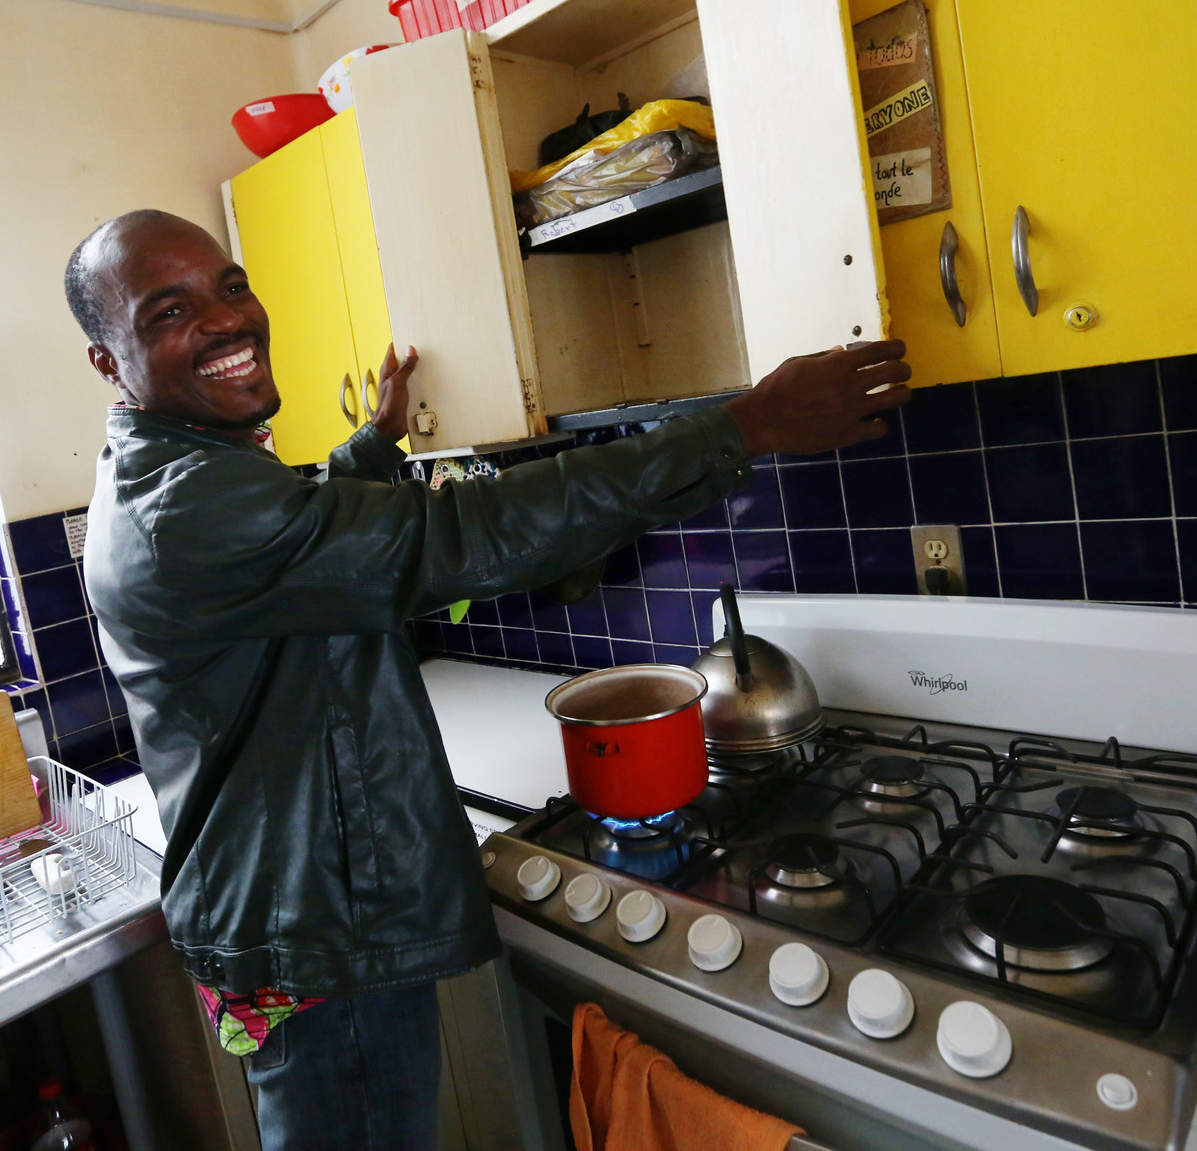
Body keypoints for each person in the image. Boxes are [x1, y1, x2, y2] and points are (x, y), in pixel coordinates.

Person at [65, 209, 910, 1150]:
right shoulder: (183, 505)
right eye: (168, 311)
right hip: (315, 930)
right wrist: (742, 426)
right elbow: (449, 537)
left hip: (292, 900)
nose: (227, 320)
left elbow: (309, 530)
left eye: (230, 286)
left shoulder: (186, 467)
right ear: (108, 359)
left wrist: (375, 445)